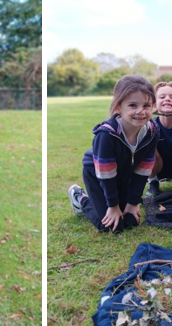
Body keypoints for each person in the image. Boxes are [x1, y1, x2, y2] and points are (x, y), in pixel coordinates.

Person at [67, 75, 159, 233]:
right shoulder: (107, 135)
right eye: (132, 105)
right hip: (99, 175)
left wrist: (133, 202)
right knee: (110, 226)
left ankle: (115, 204)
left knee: (130, 220)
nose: (140, 111)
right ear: (118, 107)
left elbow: (143, 170)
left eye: (146, 105)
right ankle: (80, 198)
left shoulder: (152, 131)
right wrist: (113, 206)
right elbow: (106, 175)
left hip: (124, 175)